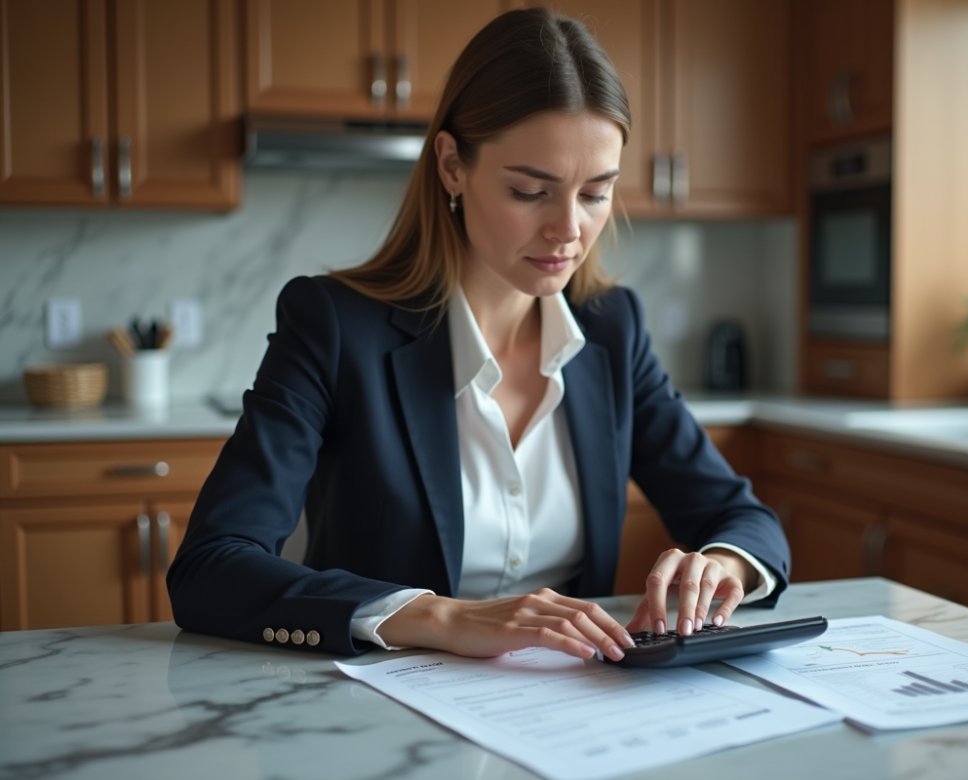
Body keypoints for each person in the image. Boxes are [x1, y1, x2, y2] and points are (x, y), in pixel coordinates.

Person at [167, 7, 791, 662]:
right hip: (380, 717)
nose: (568, 230)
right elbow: (211, 566)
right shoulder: (332, 326)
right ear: (452, 167)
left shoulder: (613, 332)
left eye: (595, 193)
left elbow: (745, 520)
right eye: (530, 191)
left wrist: (723, 564)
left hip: (571, 713)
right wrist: (436, 616)